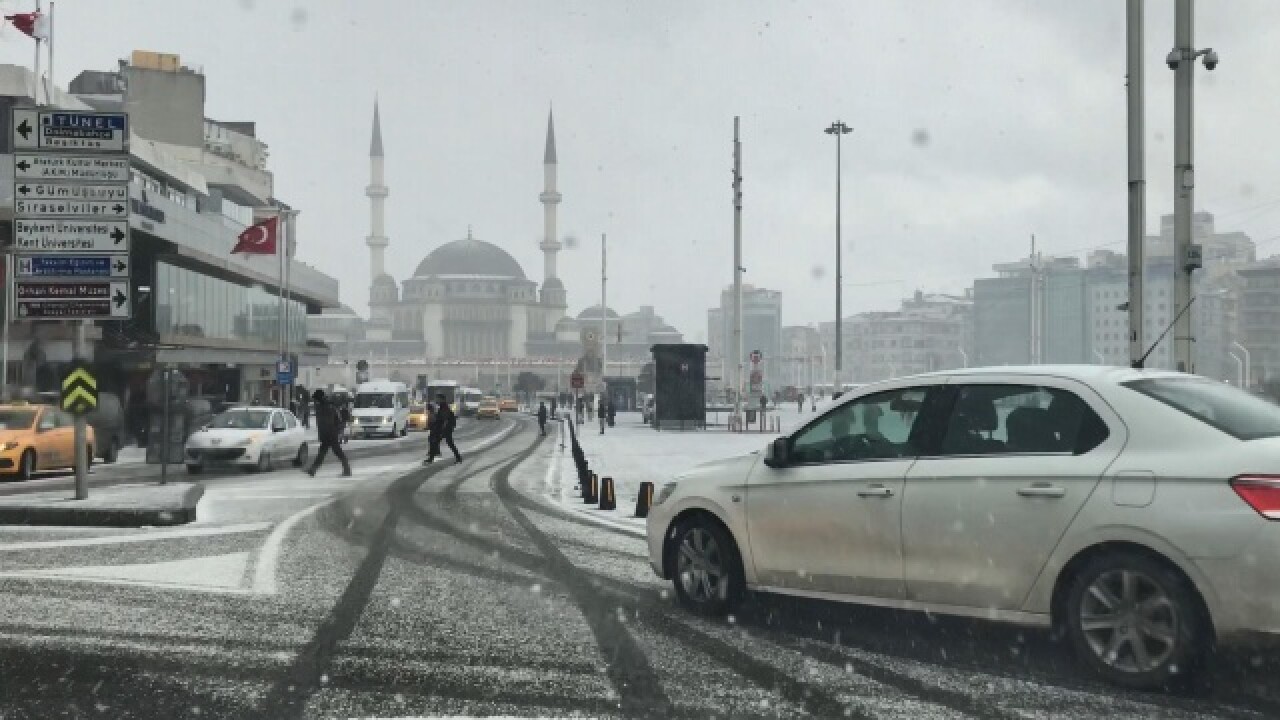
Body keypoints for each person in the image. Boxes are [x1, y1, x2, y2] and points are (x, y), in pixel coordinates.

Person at [307, 389, 351, 477]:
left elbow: (336, 420)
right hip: (328, 433)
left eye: (316, 399)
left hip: (330, 433)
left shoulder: (327, 406)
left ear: (319, 398)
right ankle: (313, 469)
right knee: (323, 452)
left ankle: (347, 470)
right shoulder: (324, 405)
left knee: (336, 452)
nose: (315, 401)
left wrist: (338, 430)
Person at [425, 393, 462, 464]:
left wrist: (442, 430)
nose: (436, 400)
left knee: (441, 443)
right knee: (437, 442)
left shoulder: (444, 408)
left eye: (438, 399)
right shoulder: (442, 407)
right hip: (444, 429)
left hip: (445, 429)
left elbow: (445, 420)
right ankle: (458, 458)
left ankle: (431, 459)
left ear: (442, 399)